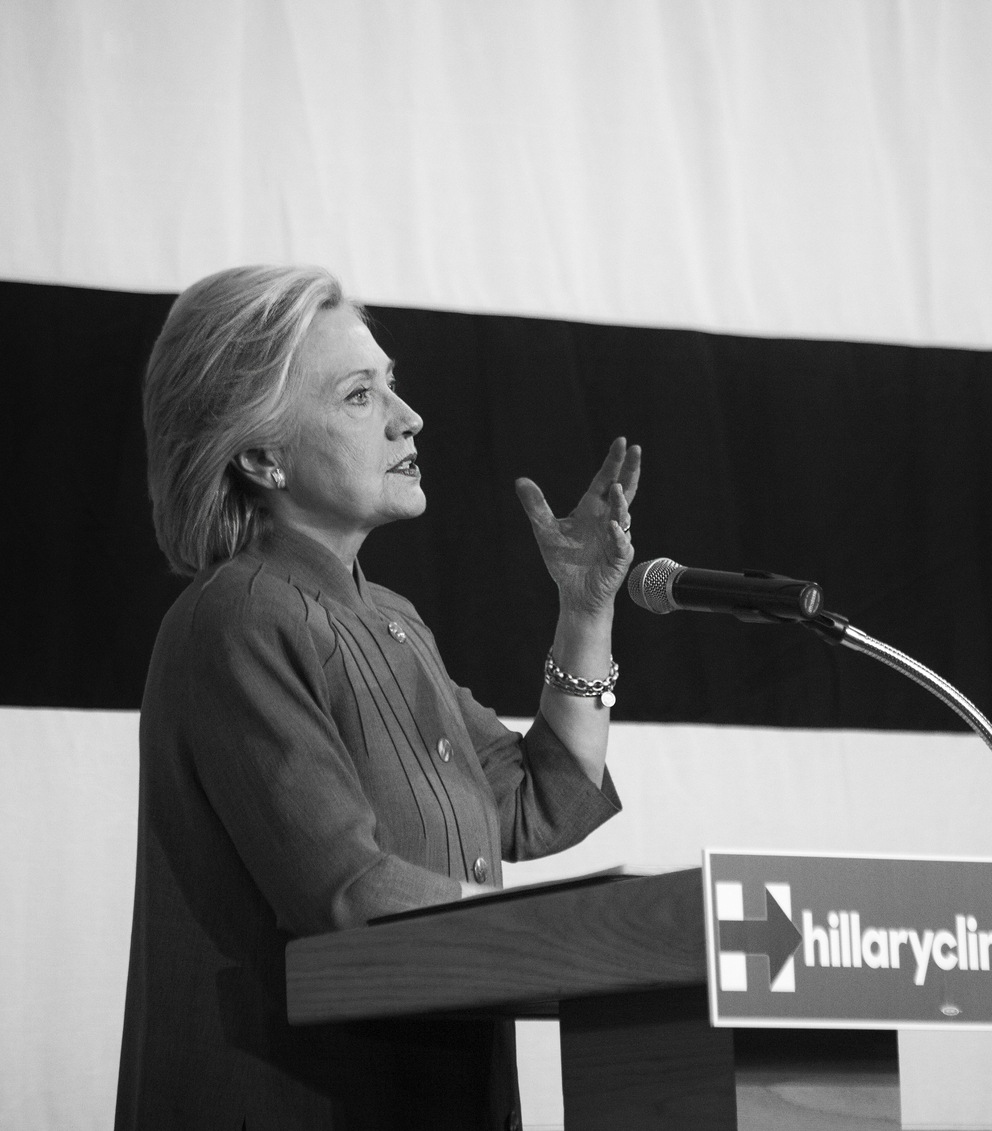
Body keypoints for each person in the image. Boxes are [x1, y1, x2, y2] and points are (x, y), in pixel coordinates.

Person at [115, 265, 641, 1130]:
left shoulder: (391, 620)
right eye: (361, 396)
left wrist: (584, 611)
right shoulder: (239, 618)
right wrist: (574, 937)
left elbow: (539, 800)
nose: (408, 416)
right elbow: (349, 890)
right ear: (260, 455)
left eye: (391, 384)